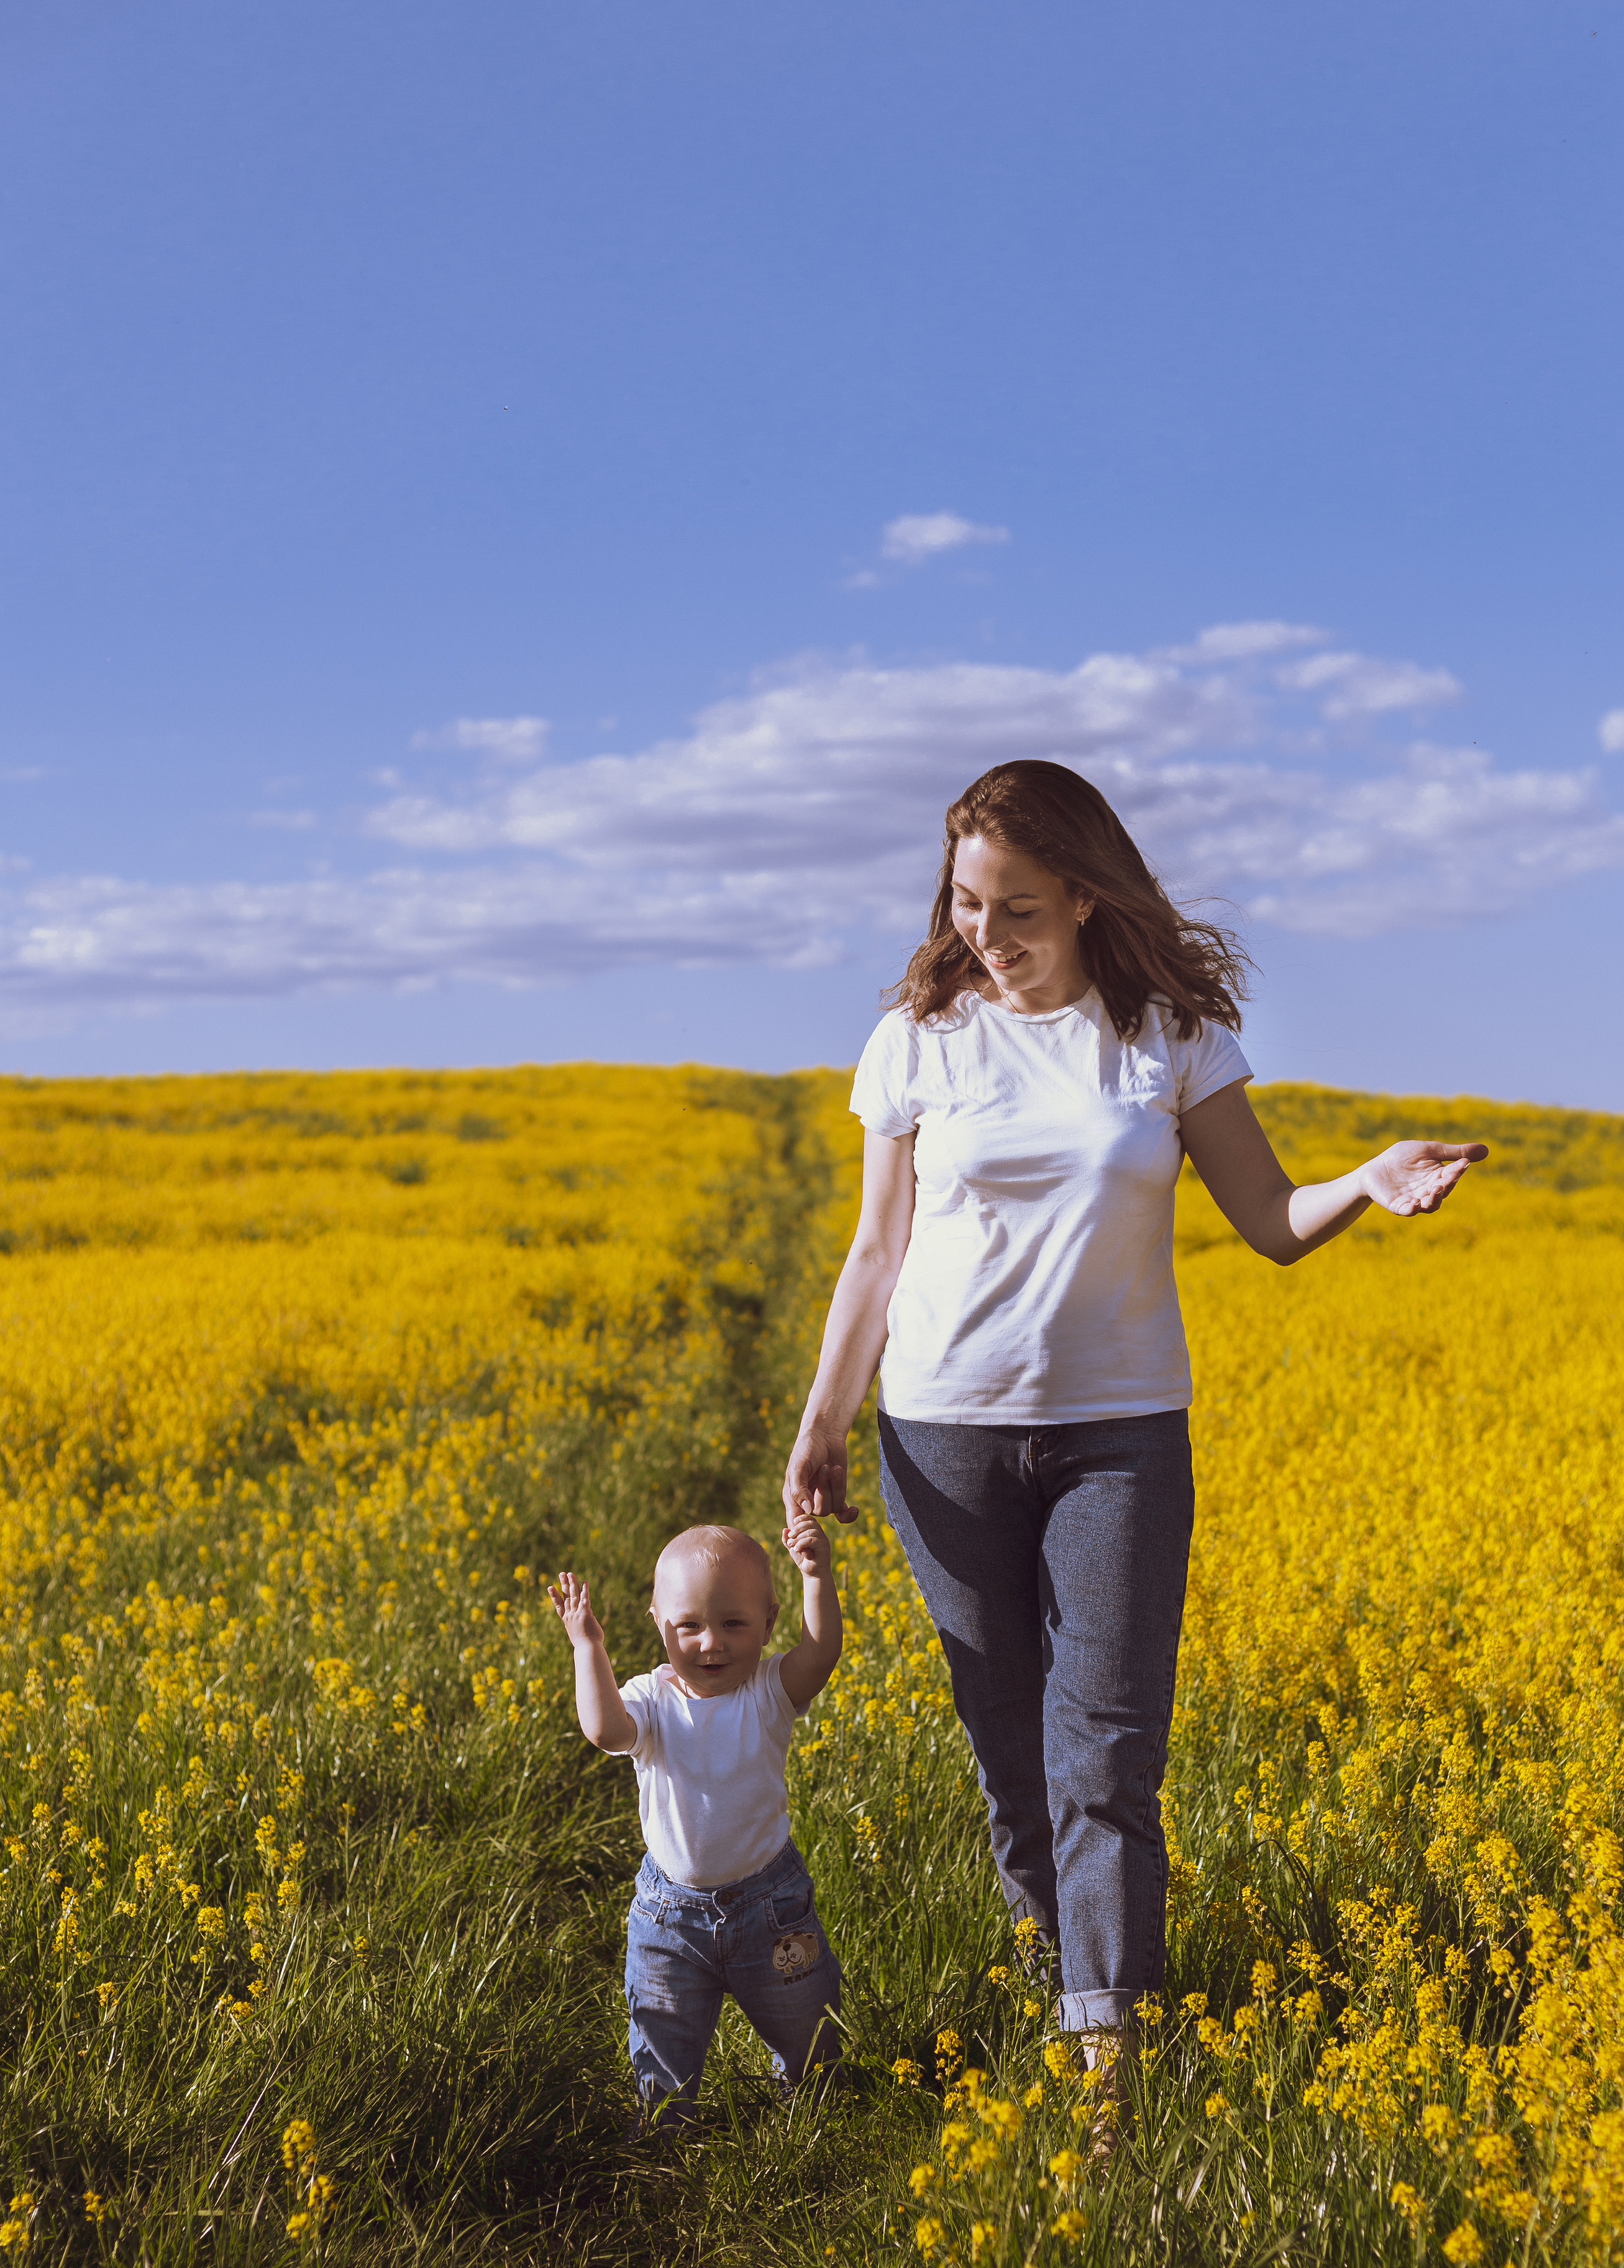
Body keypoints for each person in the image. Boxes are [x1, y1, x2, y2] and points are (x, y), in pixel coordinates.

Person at [782, 757, 1485, 2115]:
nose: (984, 933)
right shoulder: (919, 1038)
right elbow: (876, 1255)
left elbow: (1271, 1223)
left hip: (1120, 1440)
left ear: (1090, 898)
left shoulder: (1167, 1037)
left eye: (1019, 908)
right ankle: (1057, 1960)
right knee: (1007, 1745)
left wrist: (1372, 1183)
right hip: (944, 1434)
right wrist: (822, 1425)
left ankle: (1108, 2054)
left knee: (1103, 1745)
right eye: (967, 902)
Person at [551, 1517, 844, 2123]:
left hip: (771, 1906)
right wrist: (588, 1648)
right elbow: (605, 1731)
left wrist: (817, 1577)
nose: (711, 1644)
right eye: (689, 1626)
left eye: (734, 1624)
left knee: (807, 2027)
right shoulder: (650, 1699)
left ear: (769, 1622)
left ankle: (812, 2104)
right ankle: (667, 2134)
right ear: (658, 1622)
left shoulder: (768, 1693)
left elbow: (820, 1655)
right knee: (662, 2038)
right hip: (669, 1918)